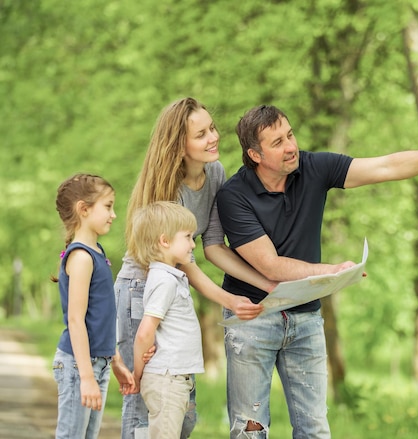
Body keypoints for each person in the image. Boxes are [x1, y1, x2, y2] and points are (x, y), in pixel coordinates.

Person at [216, 104, 418, 438]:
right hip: (253, 319)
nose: (290, 146)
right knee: (249, 432)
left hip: (305, 319)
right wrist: (332, 270)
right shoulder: (233, 195)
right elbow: (269, 265)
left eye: (290, 134)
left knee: (314, 429)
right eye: (277, 142)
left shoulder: (314, 167)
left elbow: (385, 166)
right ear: (255, 154)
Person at [114, 97, 274, 439]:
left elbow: (214, 245)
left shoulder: (214, 171)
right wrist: (229, 300)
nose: (213, 137)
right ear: (178, 145)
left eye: (212, 128)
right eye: (200, 134)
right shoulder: (167, 189)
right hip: (143, 290)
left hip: (175, 287)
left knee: (182, 406)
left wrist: (267, 283)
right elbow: (186, 263)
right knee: (147, 402)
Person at [52, 173, 136, 439]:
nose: (114, 214)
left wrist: (116, 360)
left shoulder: (97, 252)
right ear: (84, 209)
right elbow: (76, 321)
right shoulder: (81, 257)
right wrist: (86, 377)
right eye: (108, 206)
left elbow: (101, 316)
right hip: (79, 365)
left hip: (94, 363)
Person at [127, 201, 204, 439]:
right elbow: (144, 332)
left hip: (175, 378)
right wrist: (137, 373)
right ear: (165, 241)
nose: (193, 243)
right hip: (166, 380)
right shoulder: (165, 280)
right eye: (188, 237)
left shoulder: (169, 277)